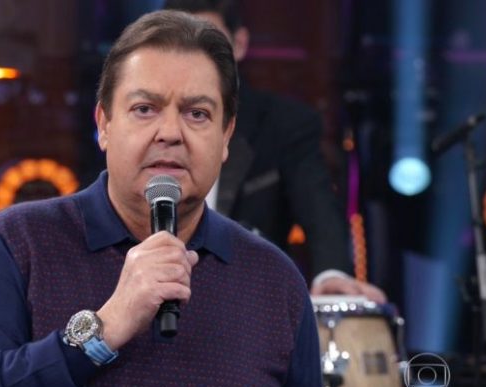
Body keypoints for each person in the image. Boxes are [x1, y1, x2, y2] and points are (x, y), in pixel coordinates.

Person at [0, 10, 326, 387]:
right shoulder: (21, 243)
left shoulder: (274, 280)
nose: (170, 133)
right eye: (145, 108)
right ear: (104, 124)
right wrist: (104, 328)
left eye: (197, 114)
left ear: (225, 136)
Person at [164, 0, 386, 302]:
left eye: (209, 44)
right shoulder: (142, 124)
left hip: (248, 303)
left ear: (239, 44)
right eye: (178, 45)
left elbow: (319, 211)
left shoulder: (284, 124)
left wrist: (331, 275)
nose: (193, 59)